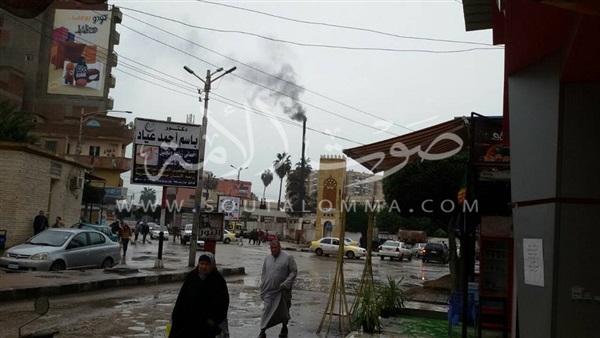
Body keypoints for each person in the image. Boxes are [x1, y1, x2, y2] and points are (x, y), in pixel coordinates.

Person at [170, 252, 230, 338]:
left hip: (207, 328)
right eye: (201, 264)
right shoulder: (192, 277)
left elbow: (223, 304)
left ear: (212, 265)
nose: (203, 267)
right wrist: (175, 317)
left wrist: (213, 321)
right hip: (187, 325)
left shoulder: (218, 281)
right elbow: (181, 299)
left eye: (207, 264)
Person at [257, 239, 298, 338]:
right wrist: (263, 285)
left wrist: (286, 283)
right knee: (266, 310)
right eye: (272, 248)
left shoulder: (288, 257)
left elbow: (294, 271)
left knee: (284, 310)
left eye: (275, 248)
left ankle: (284, 327)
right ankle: (262, 331)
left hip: (283, 291)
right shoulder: (267, 258)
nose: (274, 250)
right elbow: (264, 273)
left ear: (280, 248)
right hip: (269, 291)